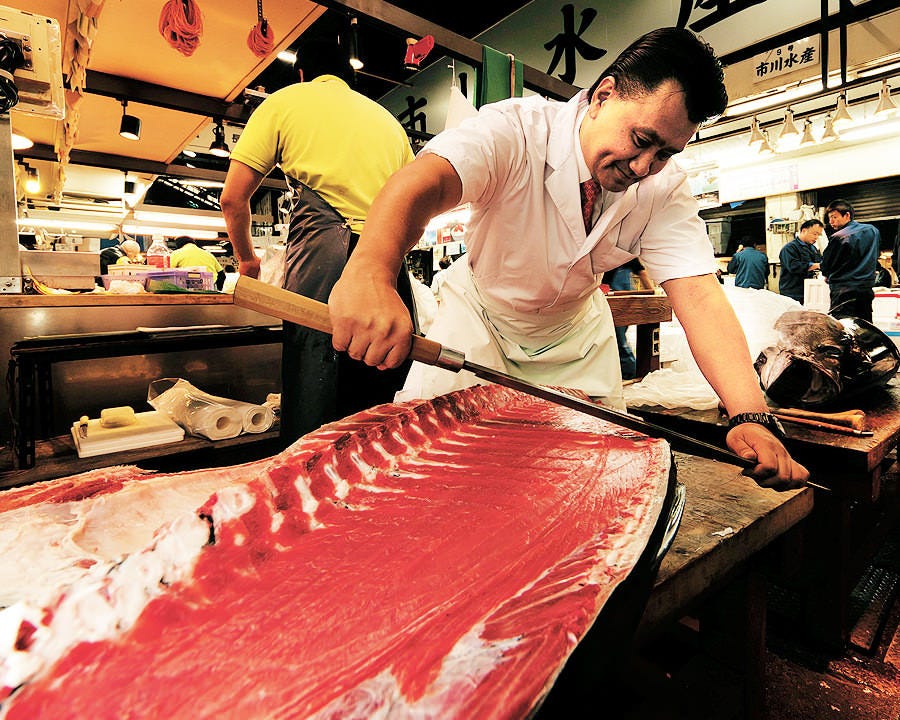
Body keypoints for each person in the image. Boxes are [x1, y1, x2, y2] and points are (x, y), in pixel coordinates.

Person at [328, 27, 808, 491]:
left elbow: (699, 296)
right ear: (603, 96)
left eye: (665, 153)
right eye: (642, 140)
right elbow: (425, 183)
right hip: (477, 326)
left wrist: (749, 414)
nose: (644, 167)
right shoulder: (515, 129)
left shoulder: (664, 188)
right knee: (439, 472)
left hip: (575, 338)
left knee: (590, 479)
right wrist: (372, 271)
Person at [220, 64, 416, 443]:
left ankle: (308, 477)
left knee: (317, 400)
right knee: (383, 410)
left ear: (301, 73)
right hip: (390, 269)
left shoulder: (286, 101)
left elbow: (232, 198)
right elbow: (414, 212)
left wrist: (247, 260)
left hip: (322, 260)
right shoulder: (389, 122)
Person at [820, 199, 881, 321]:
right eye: (829, 218)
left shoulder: (839, 237)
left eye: (834, 217)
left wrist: (826, 274)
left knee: (844, 326)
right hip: (866, 290)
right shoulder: (873, 231)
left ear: (847, 215)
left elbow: (826, 265)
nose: (831, 222)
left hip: (844, 292)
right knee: (864, 325)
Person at [601, 258, 654, 379]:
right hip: (607, 299)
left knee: (619, 341)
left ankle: (630, 374)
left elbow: (642, 272)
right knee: (612, 341)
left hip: (620, 302)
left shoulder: (626, 256)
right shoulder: (608, 256)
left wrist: (652, 294)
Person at [778, 219, 824, 303]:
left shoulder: (813, 248)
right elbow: (794, 266)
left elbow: (820, 261)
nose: (816, 237)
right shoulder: (789, 248)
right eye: (814, 234)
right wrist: (816, 265)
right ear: (804, 231)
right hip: (792, 293)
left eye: (819, 235)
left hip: (809, 291)